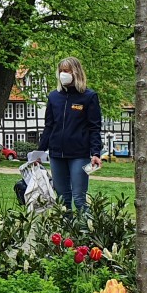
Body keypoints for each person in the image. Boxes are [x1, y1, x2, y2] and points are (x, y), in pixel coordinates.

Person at [37, 57, 102, 213]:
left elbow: (94, 127)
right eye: (60, 71)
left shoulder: (89, 96)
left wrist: (95, 152)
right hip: (56, 154)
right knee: (63, 200)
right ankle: (66, 235)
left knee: (79, 198)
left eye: (66, 71)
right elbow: (49, 126)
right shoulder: (54, 97)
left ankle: (86, 233)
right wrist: (39, 151)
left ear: (76, 72)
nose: (62, 74)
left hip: (79, 155)